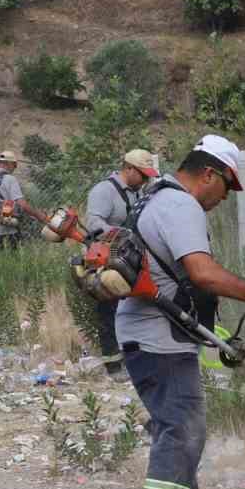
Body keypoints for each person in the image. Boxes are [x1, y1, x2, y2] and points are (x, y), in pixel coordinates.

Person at [118, 134, 245, 489]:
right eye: (228, 187)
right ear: (209, 174)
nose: (226, 198)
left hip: (153, 334)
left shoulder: (156, 198)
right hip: (156, 338)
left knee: (176, 428)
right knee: (183, 430)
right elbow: (202, 273)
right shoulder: (180, 204)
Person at [82, 149, 159, 379]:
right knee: (108, 310)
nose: (145, 180)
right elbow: (94, 223)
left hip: (123, 259)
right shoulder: (104, 191)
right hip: (103, 260)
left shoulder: (136, 192)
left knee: (128, 310)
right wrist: (124, 233)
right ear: (129, 169)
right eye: (143, 175)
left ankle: (130, 358)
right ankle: (113, 365)